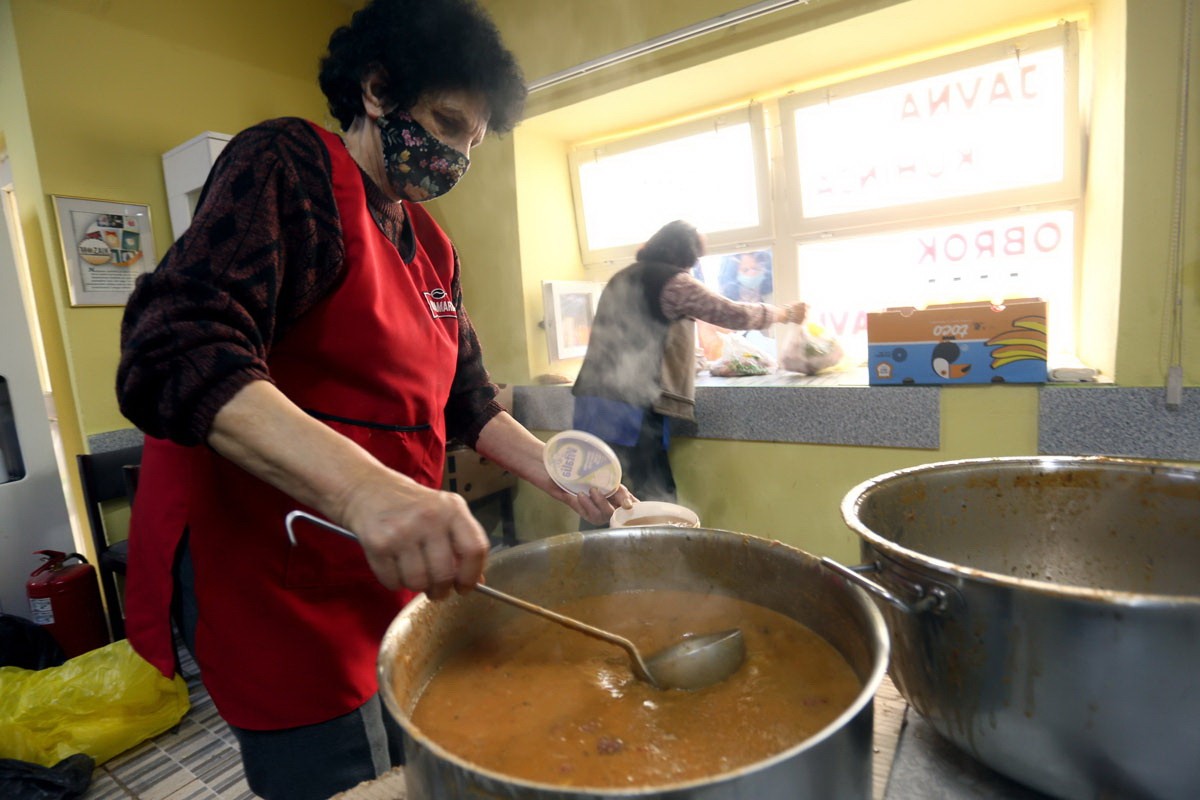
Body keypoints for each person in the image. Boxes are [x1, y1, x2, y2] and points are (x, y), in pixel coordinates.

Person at [115, 2, 631, 797]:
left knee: (408, 757)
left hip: (385, 569)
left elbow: (470, 405)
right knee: (337, 775)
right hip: (278, 580)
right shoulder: (288, 166)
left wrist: (566, 476)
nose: (457, 154)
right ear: (379, 90)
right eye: (447, 121)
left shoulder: (432, 245)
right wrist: (362, 489)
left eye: (473, 141)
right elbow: (174, 348)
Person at [572, 221, 805, 514]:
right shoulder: (673, 282)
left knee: (595, 494)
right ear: (684, 254)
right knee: (649, 497)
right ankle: (660, 555)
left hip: (591, 401)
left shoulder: (623, 277)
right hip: (629, 408)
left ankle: (593, 556)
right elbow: (730, 313)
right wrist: (785, 313)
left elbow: (642, 335)